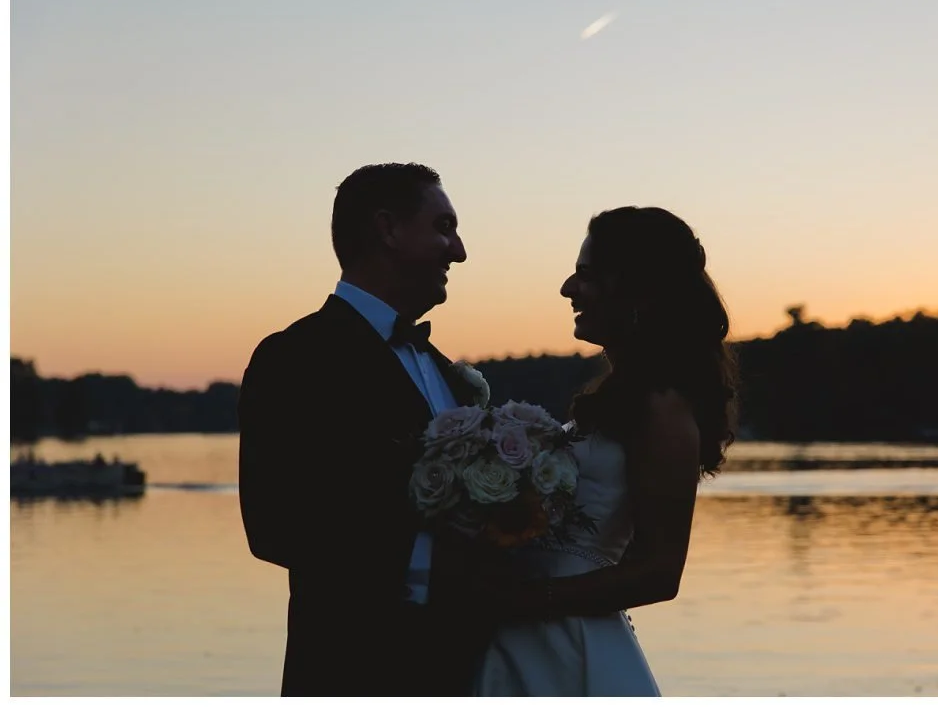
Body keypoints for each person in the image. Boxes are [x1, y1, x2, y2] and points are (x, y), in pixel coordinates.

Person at [237, 162, 493, 696]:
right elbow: (273, 527)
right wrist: (433, 536)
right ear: (388, 229)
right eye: (443, 227)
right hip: (351, 667)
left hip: (467, 670)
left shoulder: (450, 374)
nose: (459, 250)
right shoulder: (295, 357)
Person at [472, 206, 739, 696]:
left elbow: (659, 573)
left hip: (571, 642)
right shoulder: (620, 399)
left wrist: (526, 599)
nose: (568, 289)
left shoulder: (662, 408)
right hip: (525, 634)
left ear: (637, 291)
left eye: (586, 276)